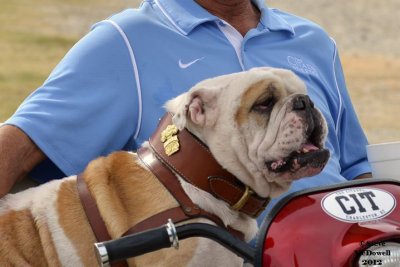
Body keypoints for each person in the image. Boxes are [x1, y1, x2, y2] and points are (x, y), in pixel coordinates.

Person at [0, 0, 371, 219]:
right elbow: (15, 149)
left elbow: (356, 170)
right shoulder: (125, 41)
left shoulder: (313, 41)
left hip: (338, 242)